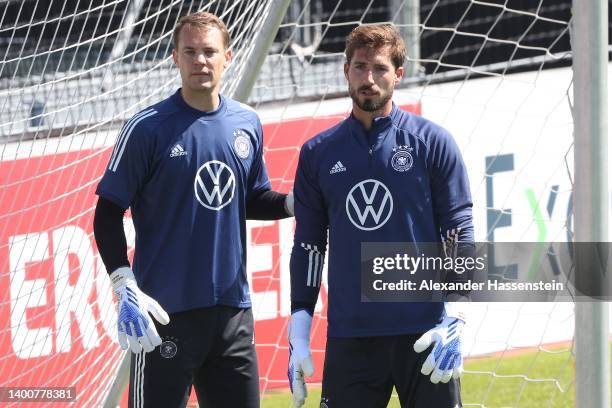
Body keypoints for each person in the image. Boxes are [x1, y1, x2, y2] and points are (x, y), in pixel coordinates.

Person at [93, 11, 293, 408]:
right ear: (175, 58)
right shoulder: (147, 128)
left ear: (228, 56)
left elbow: (251, 198)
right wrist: (123, 283)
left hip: (232, 315)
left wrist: (293, 203)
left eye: (209, 51)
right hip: (164, 314)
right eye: (190, 52)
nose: (200, 60)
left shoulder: (246, 122)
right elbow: (107, 212)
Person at [287, 24, 474, 408]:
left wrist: (456, 314)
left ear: (398, 74)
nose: (368, 79)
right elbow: (308, 244)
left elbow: (458, 228)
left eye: (379, 68)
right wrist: (300, 328)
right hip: (351, 337)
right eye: (359, 67)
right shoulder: (317, 153)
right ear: (345, 71)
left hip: (424, 333)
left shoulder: (432, 143)